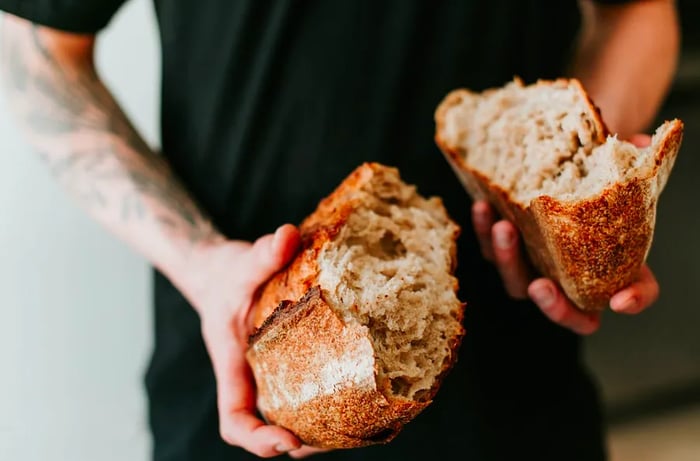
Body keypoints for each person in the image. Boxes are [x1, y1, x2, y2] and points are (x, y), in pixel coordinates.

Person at [0, 0, 679, 460]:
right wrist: (199, 261)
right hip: (247, 364)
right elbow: (33, 47)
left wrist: (574, 199)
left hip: (517, 383)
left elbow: (640, 9)